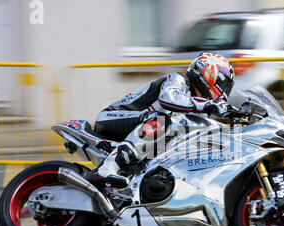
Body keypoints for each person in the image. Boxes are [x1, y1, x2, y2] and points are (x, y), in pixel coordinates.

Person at [91, 52, 235, 188]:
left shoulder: (197, 106)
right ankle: (110, 165)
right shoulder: (178, 79)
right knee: (160, 120)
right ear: (209, 73)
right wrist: (207, 104)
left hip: (139, 129)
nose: (224, 91)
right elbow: (168, 99)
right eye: (223, 84)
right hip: (114, 117)